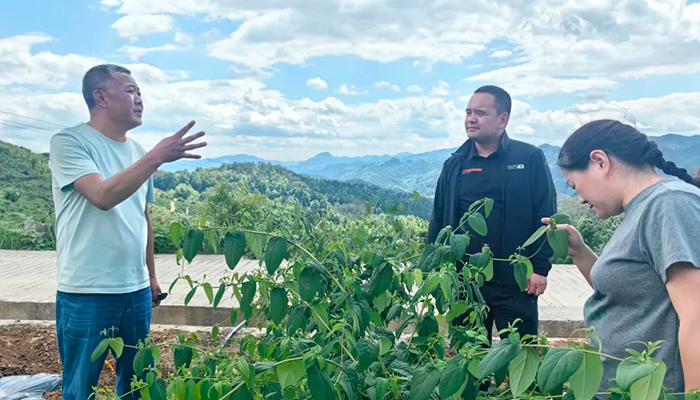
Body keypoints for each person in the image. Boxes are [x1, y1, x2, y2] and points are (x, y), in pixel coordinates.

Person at [49, 64, 207, 400]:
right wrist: (157, 157)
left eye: (140, 92)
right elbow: (102, 196)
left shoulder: (137, 152)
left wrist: (151, 276)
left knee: (138, 386)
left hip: (135, 292)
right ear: (101, 97)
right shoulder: (69, 142)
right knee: (80, 389)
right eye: (131, 91)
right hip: (87, 291)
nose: (140, 99)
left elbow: (142, 217)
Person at [545, 119, 700, 392]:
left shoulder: (669, 204)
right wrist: (580, 252)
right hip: (619, 389)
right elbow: (632, 295)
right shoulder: (642, 207)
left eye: (574, 185)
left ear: (600, 162)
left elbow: (696, 316)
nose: (580, 198)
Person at [428, 85, 557, 340]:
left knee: (521, 352)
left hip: (518, 281)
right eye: (468, 112)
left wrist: (541, 268)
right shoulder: (455, 164)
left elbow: (545, 216)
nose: (471, 119)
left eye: (480, 113)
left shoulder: (528, 158)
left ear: (503, 119)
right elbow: (439, 219)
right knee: (468, 355)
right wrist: (434, 269)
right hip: (466, 282)